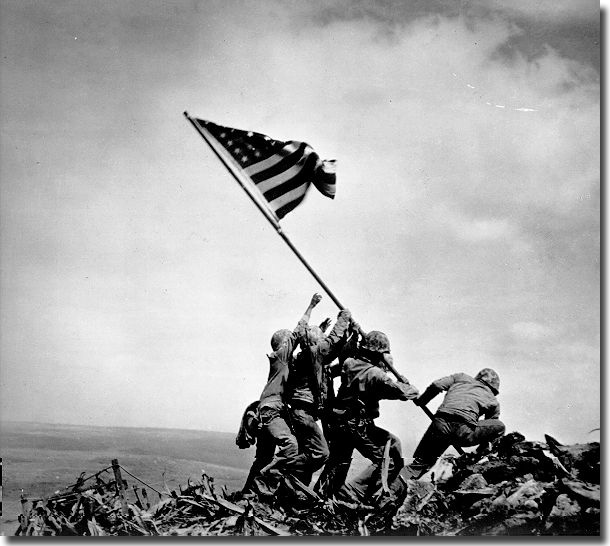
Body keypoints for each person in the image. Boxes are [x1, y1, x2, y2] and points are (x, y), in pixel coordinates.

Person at [314, 330, 419, 503]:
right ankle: (354, 494)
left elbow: (333, 372)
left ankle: (323, 498)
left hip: (340, 422)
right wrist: (406, 384)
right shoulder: (376, 375)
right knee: (391, 452)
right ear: (379, 354)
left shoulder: (349, 363)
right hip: (358, 426)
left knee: (339, 462)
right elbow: (406, 393)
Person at [248, 293, 322, 498]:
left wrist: (319, 331)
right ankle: (266, 486)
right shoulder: (281, 357)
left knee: (263, 456)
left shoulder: (283, 362)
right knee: (291, 445)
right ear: (283, 344)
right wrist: (311, 306)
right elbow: (298, 332)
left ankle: (248, 492)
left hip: (267, 410)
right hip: (272, 410)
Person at [285, 306, 352, 486]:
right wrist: (343, 319)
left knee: (308, 453)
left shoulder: (305, 358)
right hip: (304, 414)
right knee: (321, 453)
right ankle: (283, 468)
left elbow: (335, 357)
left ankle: (295, 491)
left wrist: (349, 337)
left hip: (302, 413)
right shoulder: (313, 354)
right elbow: (332, 343)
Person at [407, 368, 506, 478]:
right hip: (463, 433)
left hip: (440, 426)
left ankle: (394, 484)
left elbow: (437, 385)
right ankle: (476, 458)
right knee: (499, 426)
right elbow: (490, 427)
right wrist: (480, 451)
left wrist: (422, 401)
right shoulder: (493, 400)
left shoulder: (460, 377)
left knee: (420, 464)